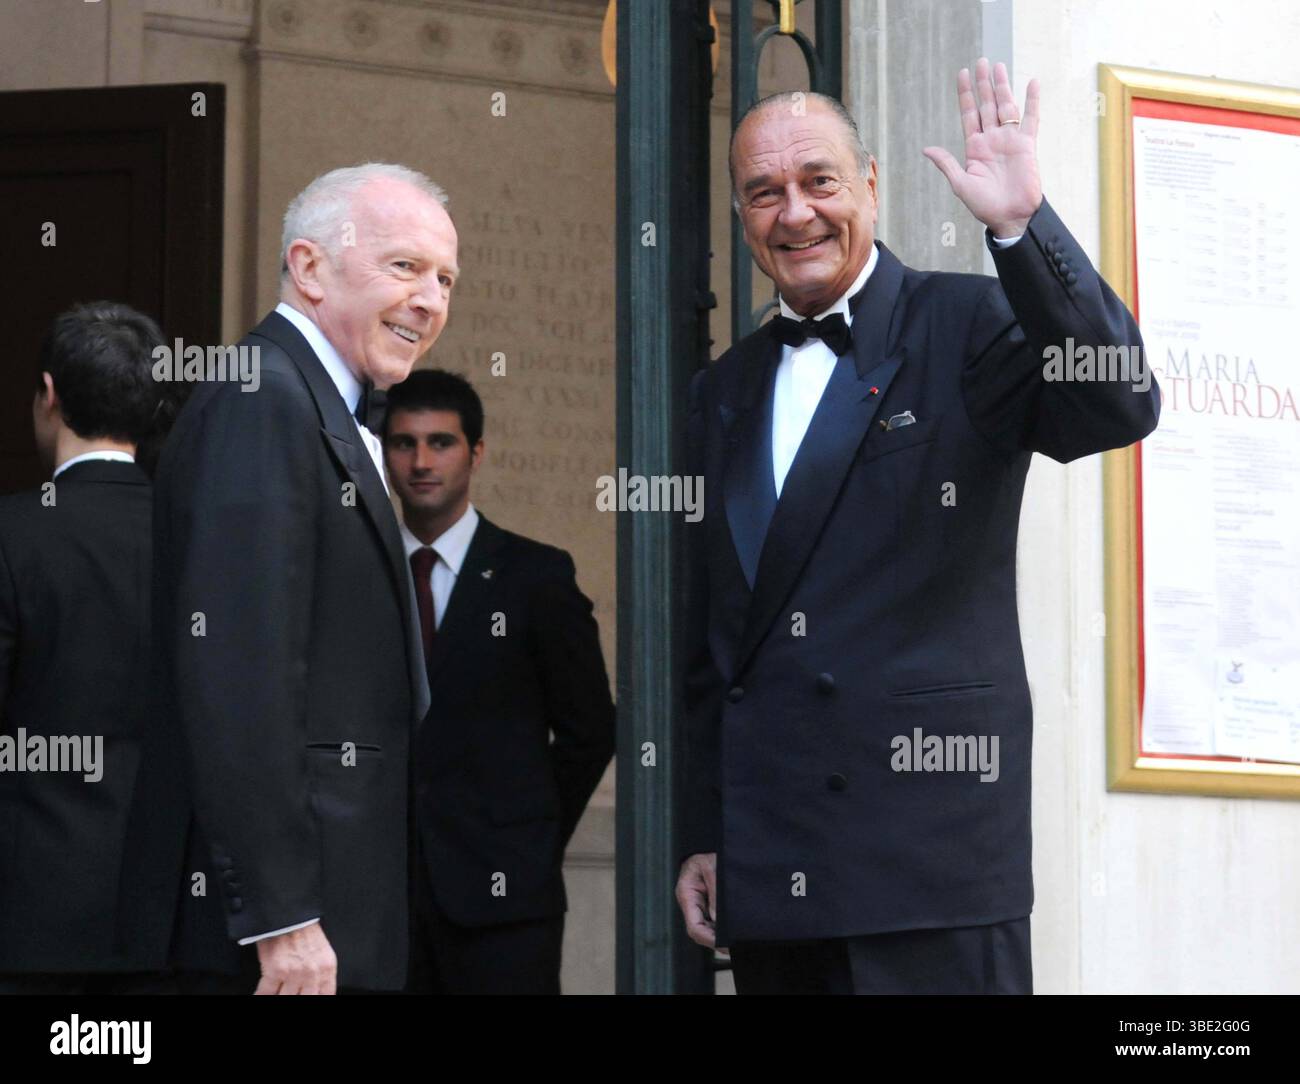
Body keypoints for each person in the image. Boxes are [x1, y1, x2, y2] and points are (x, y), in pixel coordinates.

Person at [675, 61, 1160, 994]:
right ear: (742, 218)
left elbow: (1120, 402)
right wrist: (708, 832)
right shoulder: (722, 389)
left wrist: (1022, 228)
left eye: (819, 182)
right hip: (777, 874)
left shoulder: (968, 321)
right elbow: (714, 644)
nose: (795, 214)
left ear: (871, 185)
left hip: (931, 872)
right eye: (763, 193)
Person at [154, 163, 456, 994]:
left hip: (337, 920)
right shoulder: (263, 399)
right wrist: (281, 917)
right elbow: (238, 675)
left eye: (444, 278)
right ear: (310, 267)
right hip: (284, 945)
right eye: (404, 266)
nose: (430, 299)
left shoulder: (314, 402)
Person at [382, 369, 615, 994]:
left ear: (475, 452)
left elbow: (589, 731)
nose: (422, 461)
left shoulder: (535, 577)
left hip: (505, 904)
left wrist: (526, 836)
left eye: (441, 442)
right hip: (380, 902)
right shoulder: (360, 576)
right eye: (404, 443)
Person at [0, 302, 187, 993]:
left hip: (30, 921)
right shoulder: (204, 541)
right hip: (174, 919)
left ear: (48, 395)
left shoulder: (13, 535)